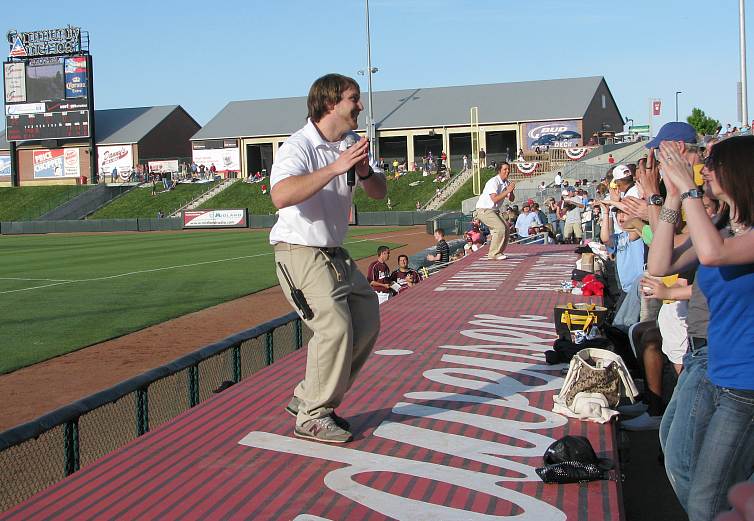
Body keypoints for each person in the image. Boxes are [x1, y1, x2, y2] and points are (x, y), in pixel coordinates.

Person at [270, 73, 386, 444]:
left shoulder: (352, 143)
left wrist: (364, 170)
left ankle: (309, 396)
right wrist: (336, 168)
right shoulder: (298, 146)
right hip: (300, 249)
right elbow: (281, 195)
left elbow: (379, 192)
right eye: (354, 98)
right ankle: (312, 415)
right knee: (334, 327)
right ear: (331, 102)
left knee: (366, 320)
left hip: (334, 252)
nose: (361, 106)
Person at [648, 135, 754, 520]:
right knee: (696, 478)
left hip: (746, 385)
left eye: (714, 164)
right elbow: (660, 265)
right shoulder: (722, 226)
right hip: (720, 374)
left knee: (707, 499)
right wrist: (672, 198)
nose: (705, 168)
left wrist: (689, 189)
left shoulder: (733, 237)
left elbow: (713, 255)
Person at [474, 162, 515, 260]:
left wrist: (511, 191)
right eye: (505, 169)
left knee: (506, 228)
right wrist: (507, 191)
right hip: (484, 209)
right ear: (499, 171)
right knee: (500, 228)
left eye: (508, 169)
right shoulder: (494, 182)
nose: (507, 171)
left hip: (493, 210)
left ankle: (499, 252)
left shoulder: (506, 183)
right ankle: (493, 254)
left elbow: (512, 199)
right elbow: (494, 199)